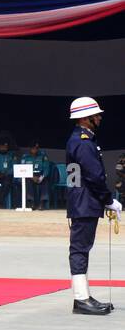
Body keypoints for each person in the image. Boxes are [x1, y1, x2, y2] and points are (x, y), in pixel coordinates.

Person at [65, 97, 120, 315]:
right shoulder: (83, 142)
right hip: (84, 202)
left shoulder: (79, 139)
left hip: (82, 201)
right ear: (85, 118)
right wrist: (108, 200)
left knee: (82, 249)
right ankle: (81, 299)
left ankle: (84, 296)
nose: (99, 117)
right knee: (79, 249)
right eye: (96, 115)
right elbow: (94, 176)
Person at [18, 142, 54, 210]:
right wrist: (31, 177)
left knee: (45, 181)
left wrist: (41, 178)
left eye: (36, 148)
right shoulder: (25, 157)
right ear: (30, 149)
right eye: (33, 148)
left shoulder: (43, 156)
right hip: (29, 176)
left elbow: (46, 168)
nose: (35, 150)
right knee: (27, 182)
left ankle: (42, 203)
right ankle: (31, 202)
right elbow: (22, 168)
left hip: (40, 175)